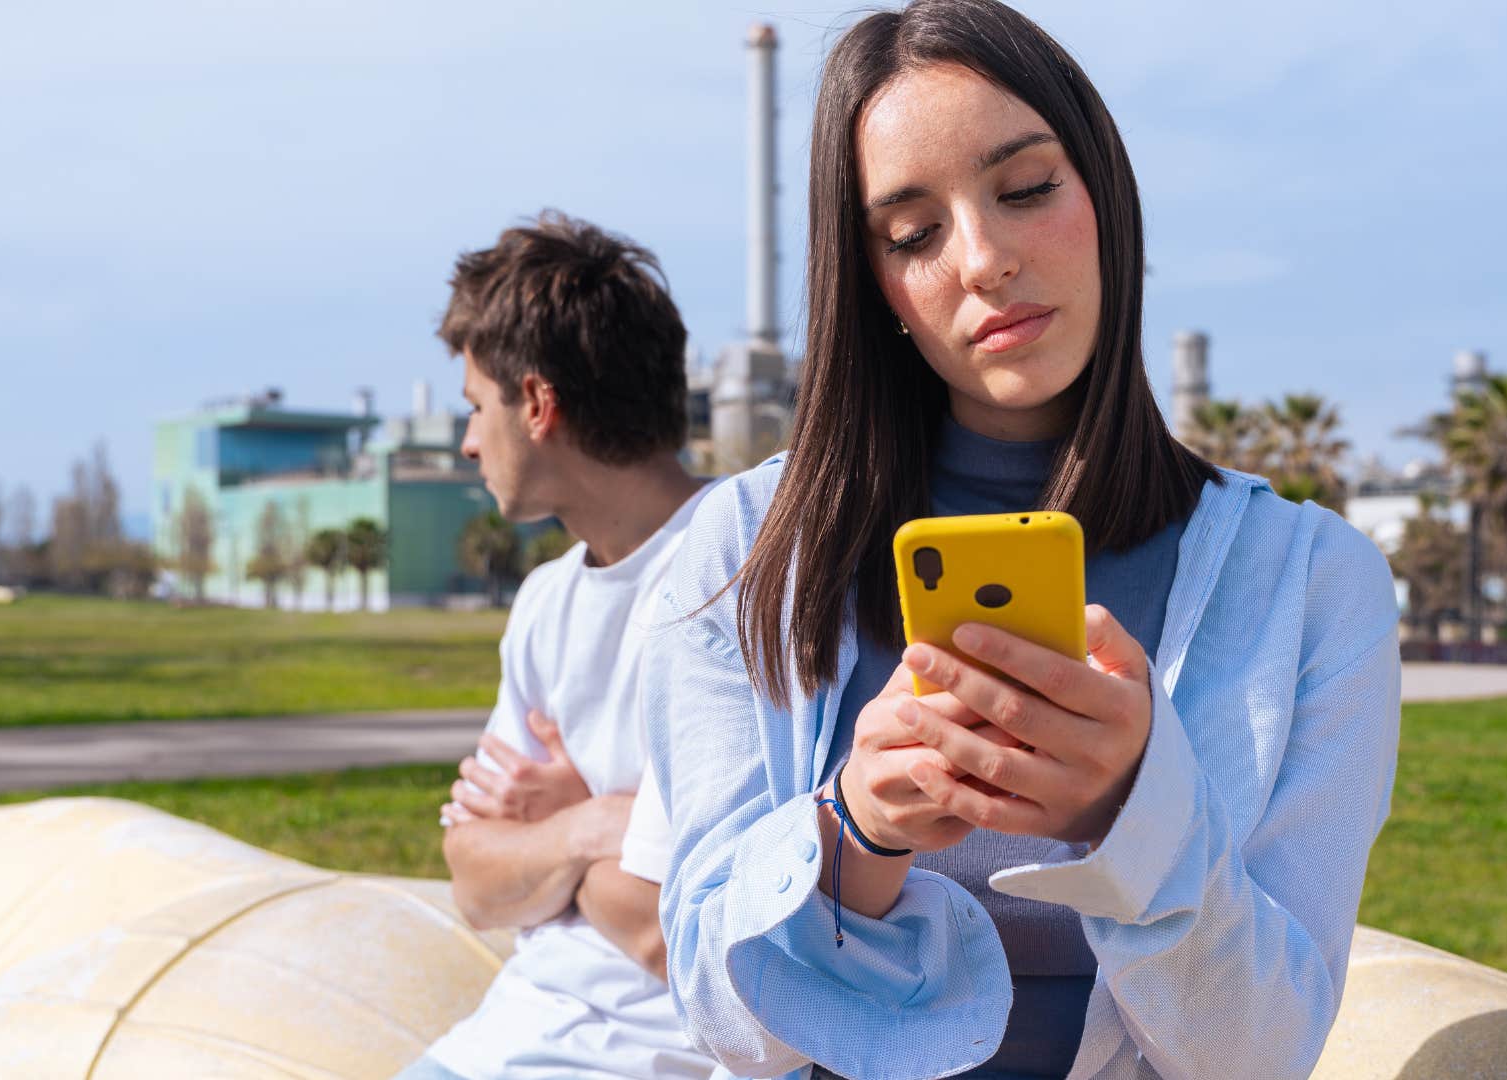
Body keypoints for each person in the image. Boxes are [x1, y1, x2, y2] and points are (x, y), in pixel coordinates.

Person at [639, 2, 1401, 1078]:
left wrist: (1131, 814)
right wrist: (854, 830)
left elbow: (1261, 1053)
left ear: (1106, 194)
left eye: (1028, 187)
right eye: (913, 235)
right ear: (876, 284)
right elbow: (717, 1022)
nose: (985, 259)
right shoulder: (747, 556)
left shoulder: (1314, 583)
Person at [399, 212, 717, 1080]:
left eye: (475, 407)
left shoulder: (739, 572)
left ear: (537, 404)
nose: (468, 441)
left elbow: (677, 931)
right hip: (491, 1046)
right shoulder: (545, 602)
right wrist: (595, 825)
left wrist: (547, 850)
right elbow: (473, 881)